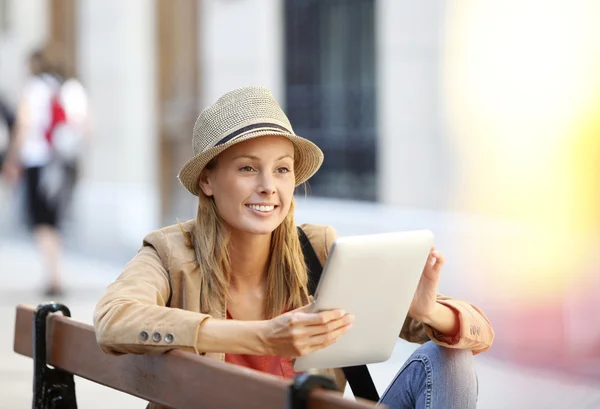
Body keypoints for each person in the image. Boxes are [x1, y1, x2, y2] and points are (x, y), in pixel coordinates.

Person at [93, 86, 494, 409]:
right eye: (248, 167)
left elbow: (481, 334)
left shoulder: (318, 250)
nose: (269, 186)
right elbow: (113, 320)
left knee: (449, 361)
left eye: (282, 169)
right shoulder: (170, 254)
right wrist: (262, 336)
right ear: (208, 182)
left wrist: (427, 311)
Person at [1, 43, 88, 296]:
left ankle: (54, 275)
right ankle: (56, 272)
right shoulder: (72, 88)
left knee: (42, 221)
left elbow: (24, 125)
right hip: (65, 163)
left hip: (39, 161)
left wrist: (11, 159)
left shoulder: (35, 89)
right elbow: (86, 127)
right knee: (57, 219)